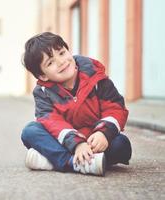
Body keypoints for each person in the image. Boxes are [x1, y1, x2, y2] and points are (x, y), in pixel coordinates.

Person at [21, 32, 132, 176]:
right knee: (30, 131)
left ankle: (54, 161)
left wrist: (103, 133)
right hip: (65, 141)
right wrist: (77, 144)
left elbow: (115, 107)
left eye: (61, 53)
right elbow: (52, 122)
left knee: (121, 145)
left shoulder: (95, 76)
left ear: (68, 50)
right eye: (50, 62)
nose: (61, 62)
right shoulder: (43, 92)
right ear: (43, 75)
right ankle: (72, 162)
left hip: (94, 140)